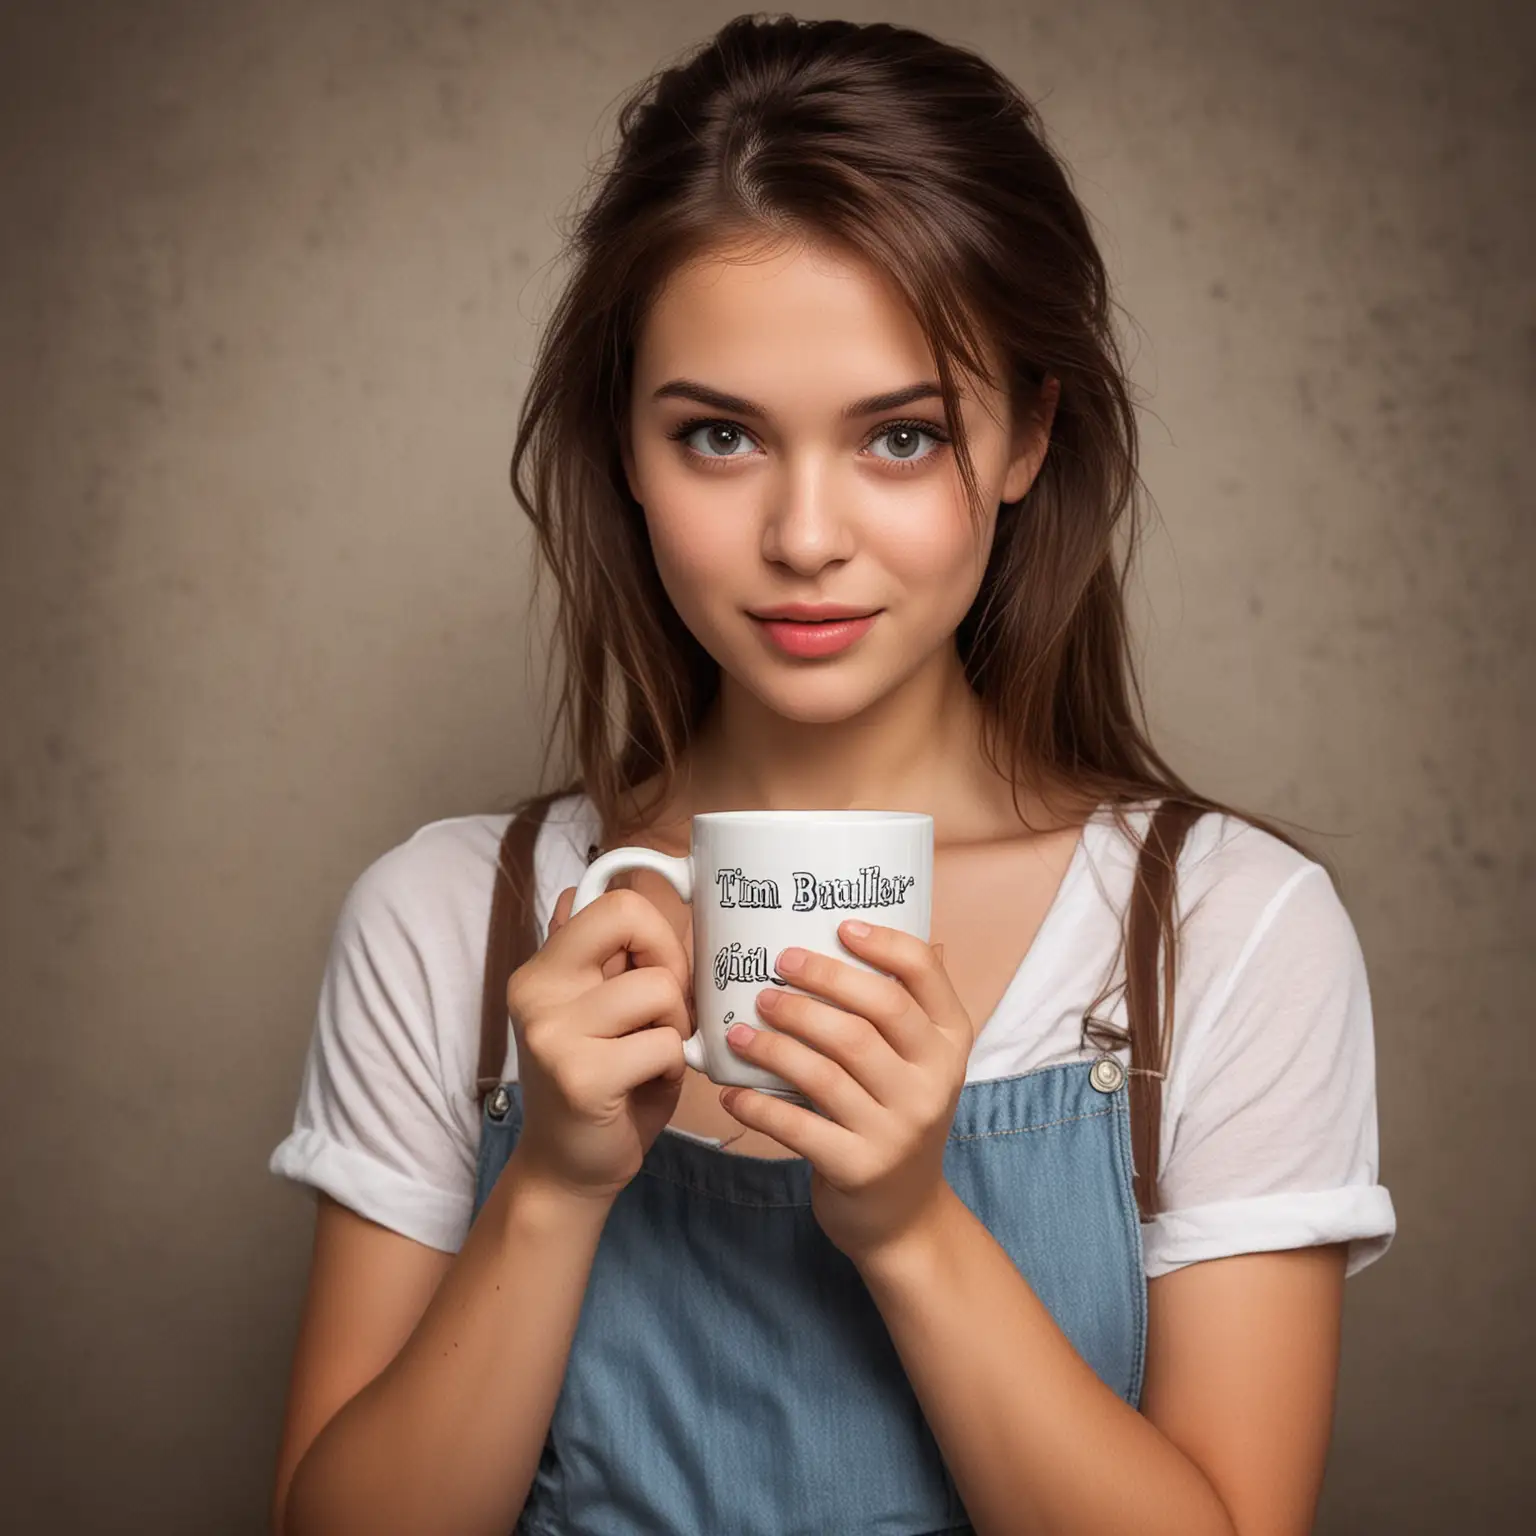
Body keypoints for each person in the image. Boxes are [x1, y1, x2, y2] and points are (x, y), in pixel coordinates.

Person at [267, 15, 1395, 1535]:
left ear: (1027, 436)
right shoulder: (449, 919)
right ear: (625, 445)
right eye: (722, 435)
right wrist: (547, 1188)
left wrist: (914, 1229)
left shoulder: (1227, 934)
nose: (805, 535)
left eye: (902, 437)